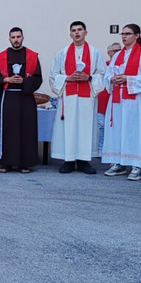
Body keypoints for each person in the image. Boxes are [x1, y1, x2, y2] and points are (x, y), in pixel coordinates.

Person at [50, 21, 105, 174]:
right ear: (70, 34)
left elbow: (102, 74)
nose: (77, 33)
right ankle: (68, 160)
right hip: (68, 97)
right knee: (68, 128)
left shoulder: (94, 53)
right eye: (74, 30)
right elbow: (53, 75)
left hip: (87, 98)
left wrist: (88, 77)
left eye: (80, 30)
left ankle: (83, 161)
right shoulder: (62, 53)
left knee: (85, 128)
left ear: (85, 32)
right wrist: (67, 78)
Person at [102, 24, 141, 181]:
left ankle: (137, 165)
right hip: (117, 98)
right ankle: (118, 162)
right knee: (117, 129)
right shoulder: (117, 55)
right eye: (122, 34)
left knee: (134, 130)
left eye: (128, 34)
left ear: (136, 35)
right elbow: (108, 74)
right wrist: (112, 78)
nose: (124, 37)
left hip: (134, 99)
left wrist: (127, 79)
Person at [0, 27, 43, 173]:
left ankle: (24, 163)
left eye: (18, 37)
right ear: (9, 39)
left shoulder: (32, 56)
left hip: (25, 98)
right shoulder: (1, 56)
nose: (16, 40)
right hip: (8, 97)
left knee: (26, 130)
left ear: (22, 38)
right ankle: (5, 162)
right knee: (7, 129)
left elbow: (38, 78)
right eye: (13, 37)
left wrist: (24, 81)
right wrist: (6, 79)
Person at [97, 43, 120, 155]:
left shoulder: (123, 65)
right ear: (109, 53)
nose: (118, 53)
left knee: (115, 126)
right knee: (101, 126)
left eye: (119, 50)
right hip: (102, 99)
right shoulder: (105, 66)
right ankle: (101, 149)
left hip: (116, 99)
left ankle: (113, 150)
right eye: (115, 51)